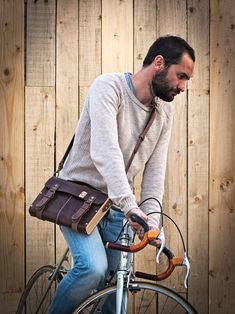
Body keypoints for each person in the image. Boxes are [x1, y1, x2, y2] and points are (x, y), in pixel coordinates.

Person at [48, 35, 195, 313]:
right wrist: (131, 206)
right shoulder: (109, 87)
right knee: (93, 269)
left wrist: (149, 218)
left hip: (117, 207)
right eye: (181, 76)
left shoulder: (164, 112)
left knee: (117, 285)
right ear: (159, 63)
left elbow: (154, 174)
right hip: (78, 197)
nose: (183, 87)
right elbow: (106, 152)